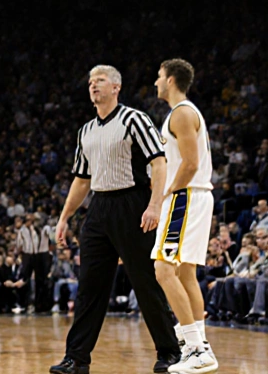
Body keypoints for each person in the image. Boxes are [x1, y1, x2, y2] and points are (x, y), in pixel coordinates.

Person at [50, 66, 181, 374]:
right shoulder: (85, 131)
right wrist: (64, 217)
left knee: (146, 283)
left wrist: (154, 206)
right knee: (89, 287)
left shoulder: (135, 119)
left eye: (100, 81)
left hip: (132, 205)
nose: (93, 86)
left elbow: (159, 163)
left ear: (116, 87)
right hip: (98, 208)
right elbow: (81, 180)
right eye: (90, 82)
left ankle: (170, 352)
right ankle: (77, 358)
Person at [150, 59, 218, 374]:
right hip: (196, 197)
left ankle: (193, 347)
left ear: (172, 79)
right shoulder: (183, 113)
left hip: (187, 196)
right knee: (185, 274)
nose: (155, 82)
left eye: (159, 77)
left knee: (163, 270)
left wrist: (168, 193)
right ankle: (200, 348)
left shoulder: (182, 113)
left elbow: (189, 164)